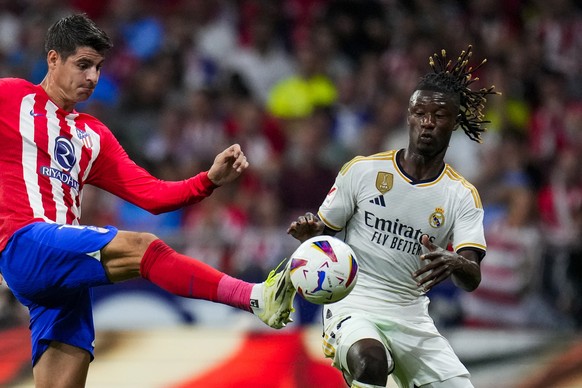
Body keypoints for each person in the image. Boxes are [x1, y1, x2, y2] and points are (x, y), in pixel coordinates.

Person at [0, 14, 296, 388]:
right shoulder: (10, 96)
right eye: (83, 65)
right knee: (144, 246)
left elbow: (152, 196)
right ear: (53, 59)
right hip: (25, 242)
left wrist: (208, 180)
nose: (92, 77)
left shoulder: (94, 136)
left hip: (60, 272)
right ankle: (255, 297)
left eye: (98, 68)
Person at [288, 46, 498, 388]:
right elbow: (324, 237)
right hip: (353, 303)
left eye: (439, 115)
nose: (428, 122)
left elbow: (471, 276)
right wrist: (311, 233)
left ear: (455, 121)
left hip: (410, 314)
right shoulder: (362, 171)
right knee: (371, 362)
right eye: (420, 112)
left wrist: (457, 263)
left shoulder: (461, 195)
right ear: (409, 116)